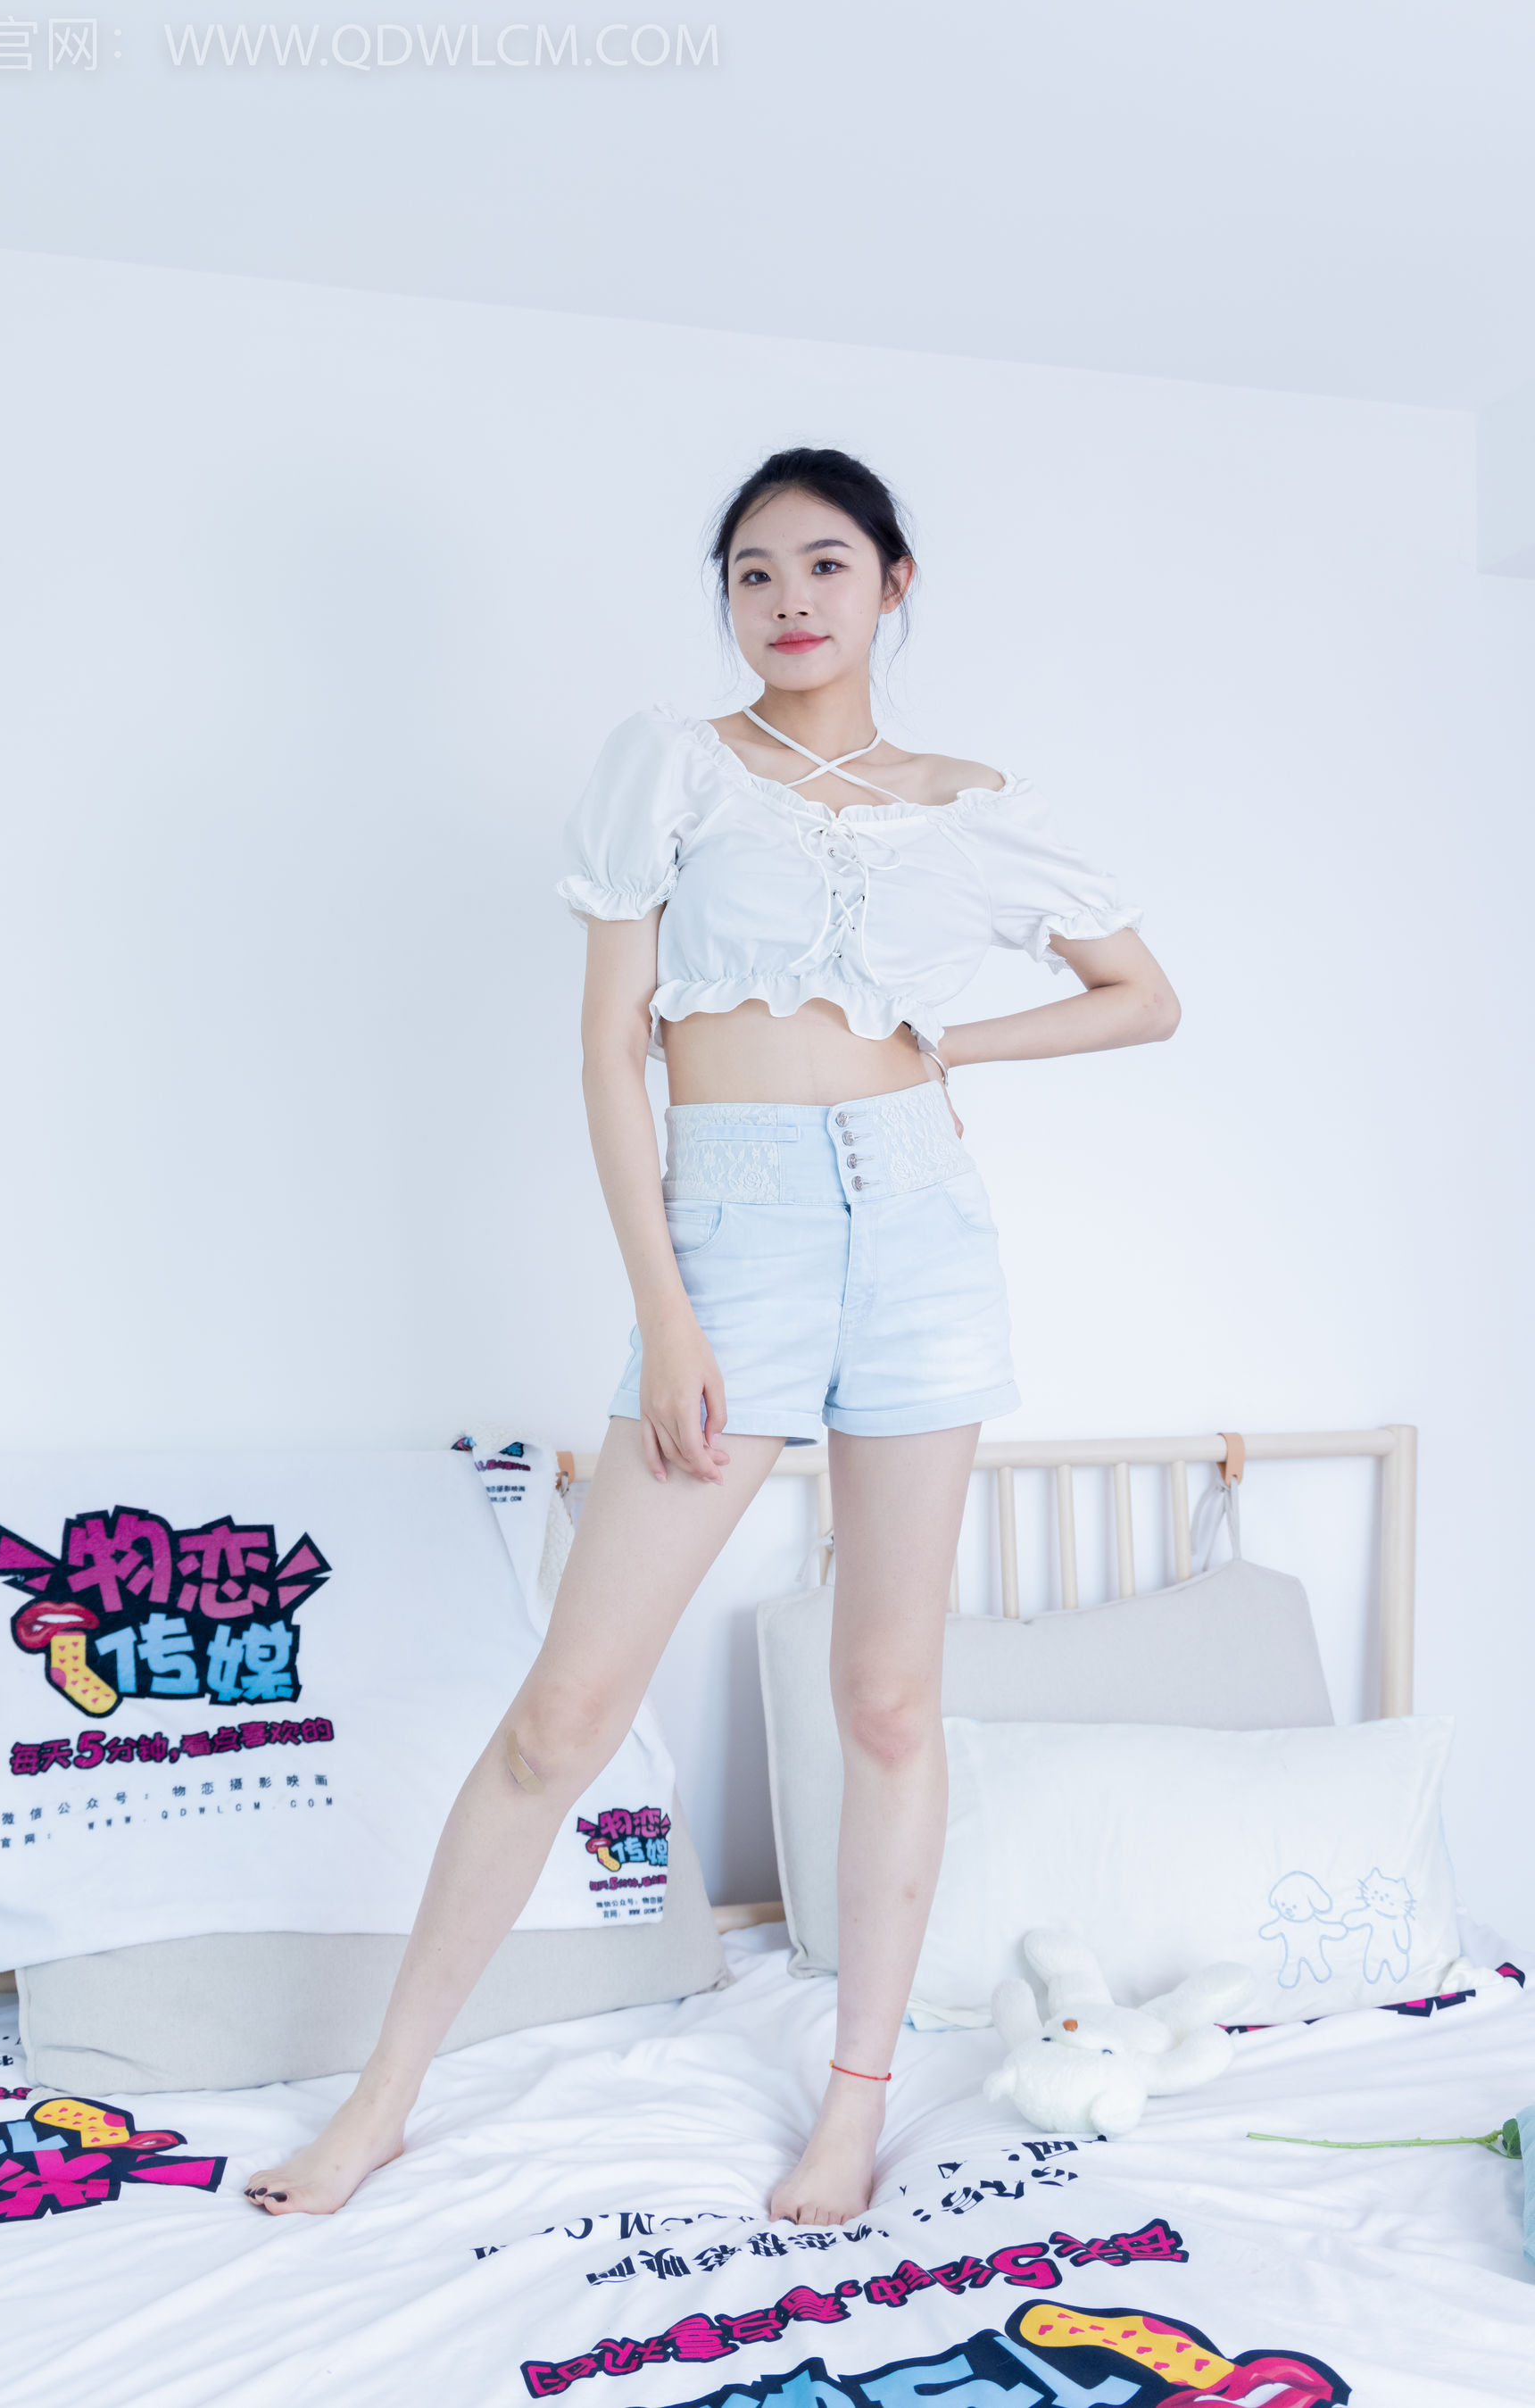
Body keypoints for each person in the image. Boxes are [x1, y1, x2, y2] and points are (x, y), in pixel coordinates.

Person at [245, 445, 1179, 2226]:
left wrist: (949, 1051)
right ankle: (378, 2102)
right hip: (731, 1235)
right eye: (753, 572)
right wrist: (666, 1309)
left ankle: (852, 2108)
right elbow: (612, 1052)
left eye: (826, 563)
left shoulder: (974, 804)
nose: (789, 599)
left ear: (894, 584)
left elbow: (1144, 994)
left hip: (917, 1229)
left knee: (888, 1702)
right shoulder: (672, 765)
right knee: (565, 1710)